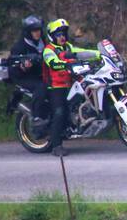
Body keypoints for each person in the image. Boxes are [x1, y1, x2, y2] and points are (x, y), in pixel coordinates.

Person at [41, 18, 101, 156]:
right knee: (60, 112)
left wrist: (99, 54)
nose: (62, 37)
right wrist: (66, 64)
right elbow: (53, 63)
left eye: (63, 33)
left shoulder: (68, 47)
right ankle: (56, 146)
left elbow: (81, 52)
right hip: (55, 87)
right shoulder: (48, 50)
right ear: (52, 36)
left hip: (69, 83)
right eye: (58, 34)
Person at [8, 15, 47, 125]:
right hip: (24, 77)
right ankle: (36, 117)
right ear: (28, 32)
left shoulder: (42, 41)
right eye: (34, 30)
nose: (37, 33)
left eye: (39, 30)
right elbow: (12, 68)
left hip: (39, 73)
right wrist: (23, 67)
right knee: (41, 87)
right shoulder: (19, 47)